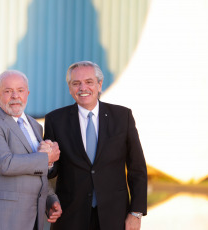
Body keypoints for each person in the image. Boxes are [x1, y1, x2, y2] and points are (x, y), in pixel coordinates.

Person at [44, 61, 147, 230]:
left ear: (99, 85)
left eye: (89, 82)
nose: (83, 88)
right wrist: (48, 161)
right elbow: (52, 170)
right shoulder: (55, 120)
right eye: (76, 83)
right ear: (70, 88)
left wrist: (136, 213)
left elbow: (137, 168)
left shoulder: (122, 117)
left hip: (115, 217)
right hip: (71, 217)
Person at [0, 70, 62, 230]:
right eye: (8, 91)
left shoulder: (35, 126)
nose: (15, 96)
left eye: (20, 90)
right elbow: (5, 164)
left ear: (27, 94)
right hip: (0, 219)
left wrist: (50, 199)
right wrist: (47, 158)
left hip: (33, 218)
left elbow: (35, 169)